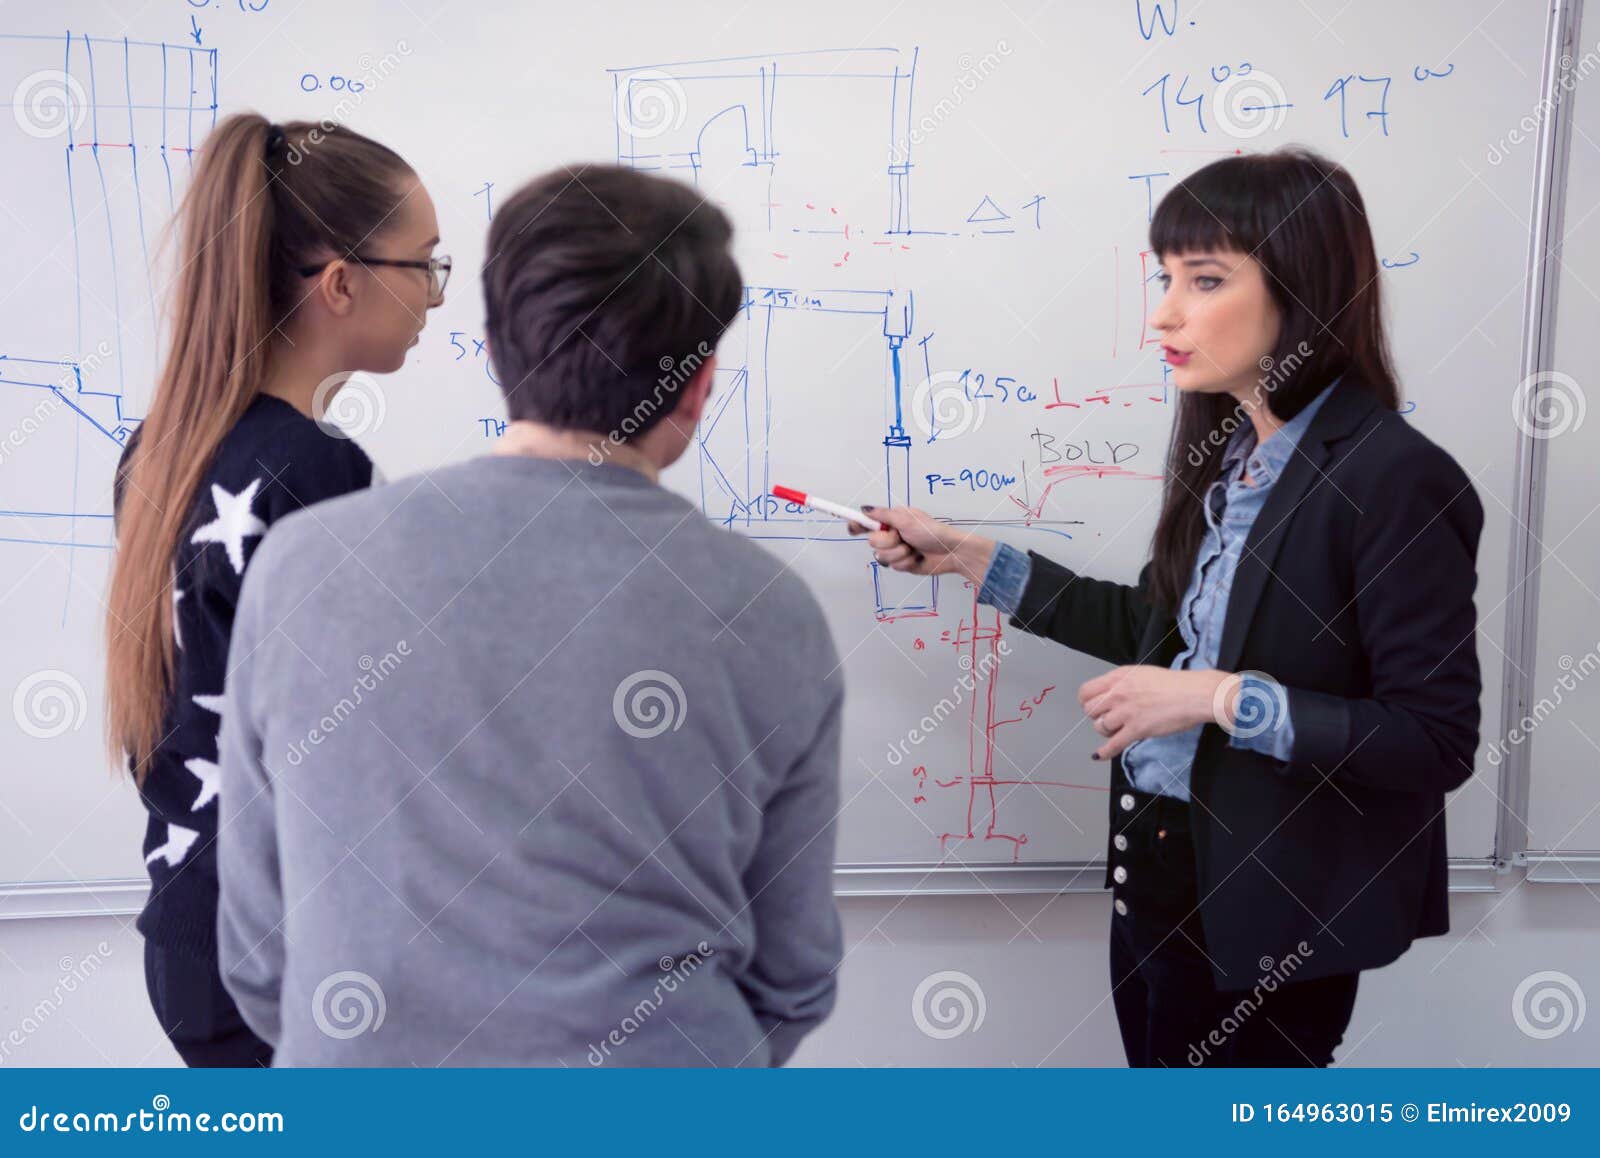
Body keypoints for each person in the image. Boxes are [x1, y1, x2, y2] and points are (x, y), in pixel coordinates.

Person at [858, 149, 1483, 1067]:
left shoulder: (1394, 477)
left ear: (1299, 290)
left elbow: (1433, 741)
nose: (1164, 312)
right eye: (1165, 277)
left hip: (1267, 915)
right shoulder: (1228, 457)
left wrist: (1215, 699)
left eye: (1206, 279)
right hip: (1155, 870)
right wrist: (966, 556)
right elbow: (1151, 631)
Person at [215, 163, 844, 1066]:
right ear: (699, 385)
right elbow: (793, 979)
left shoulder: (307, 564)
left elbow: (259, 953)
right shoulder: (771, 609)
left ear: (498, 347)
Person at [105, 112, 445, 1066]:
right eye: (425, 265)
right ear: (341, 282)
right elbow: (353, 748)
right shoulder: (315, 472)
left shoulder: (163, 449)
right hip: (286, 950)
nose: (435, 298)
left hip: (190, 932)